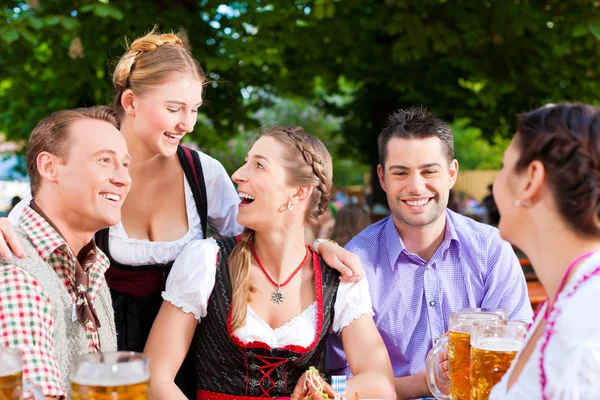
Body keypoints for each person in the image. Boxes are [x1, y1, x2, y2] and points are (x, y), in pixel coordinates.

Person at [0, 29, 363, 398]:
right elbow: (30, 234)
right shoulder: (89, 175)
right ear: (130, 101)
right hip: (100, 355)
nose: (187, 123)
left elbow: (265, 234)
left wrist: (319, 246)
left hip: (179, 366)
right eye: (174, 108)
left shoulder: (203, 174)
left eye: (194, 109)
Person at [144, 127, 396, 400]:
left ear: (299, 193)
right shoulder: (206, 260)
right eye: (245, 162)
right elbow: (154, 377)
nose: (237, 175)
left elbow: (380, 383)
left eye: (259, 166)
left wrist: (329, 392)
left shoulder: (337, 277)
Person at [326, 107, 533, 399]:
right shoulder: (355, 261)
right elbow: (335, 385)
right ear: (382, 178)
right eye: (401, 173)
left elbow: (521, 357)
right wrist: (426, 383)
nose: (416, 186)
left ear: (451, 173)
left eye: (429, 171)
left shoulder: (491, 250)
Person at [0, 106, 130, 398]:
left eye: (125, 164)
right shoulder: (16, 268)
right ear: (49, 167)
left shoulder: (91, 267)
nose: (124, 178)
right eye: (105, 160)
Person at [489, 103, 600, 398]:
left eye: (503, 166)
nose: (496, 184)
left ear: (531, 180)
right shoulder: (567, 295)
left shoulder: (586, 338)